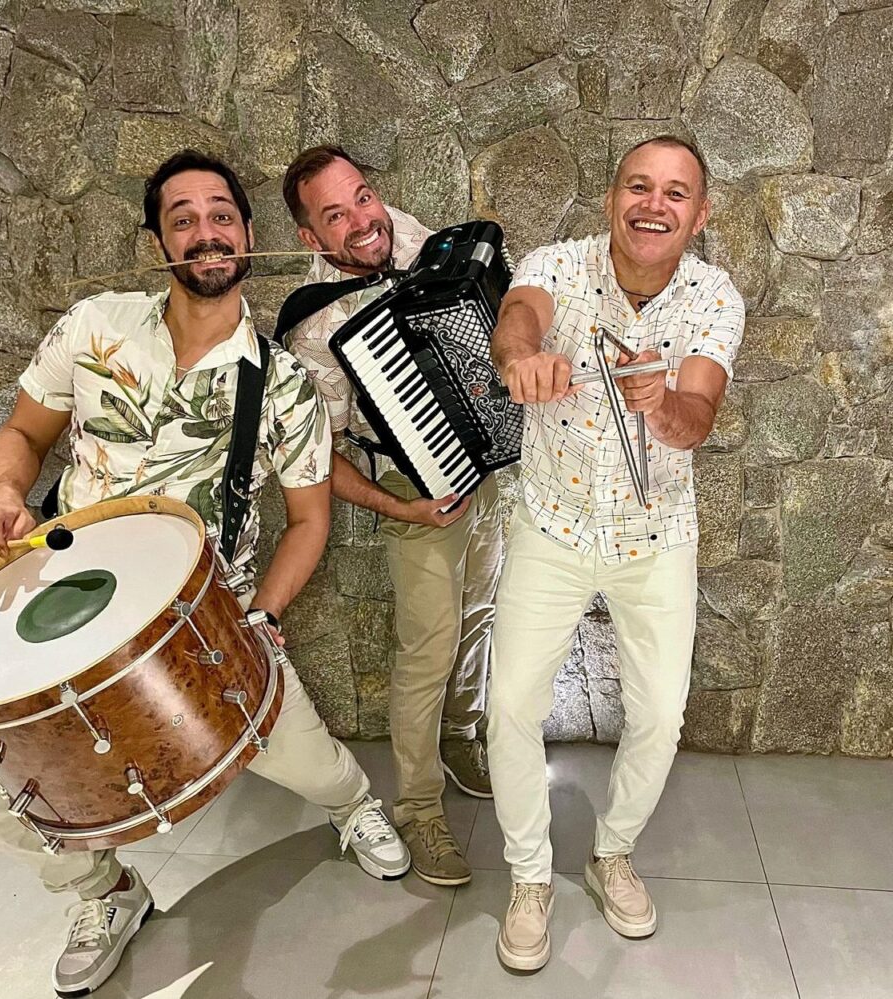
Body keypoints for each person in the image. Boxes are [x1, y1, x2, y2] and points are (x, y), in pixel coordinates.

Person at [0, 149, 410, 998]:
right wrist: (6, 493)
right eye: (183, 217)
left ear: (247, 236)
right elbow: (22, 434)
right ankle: (106, 892)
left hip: (210, 624)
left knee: (311, 765)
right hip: (74, 608)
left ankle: (352, 807)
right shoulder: (95, 328)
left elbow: (309, 522)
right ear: (158, 240)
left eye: (221, 215)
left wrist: (264, 617)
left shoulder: (281, 383)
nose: (206, 231)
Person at [487, 136, 745, 971]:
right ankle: (529, 878)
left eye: (675, 193)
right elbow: (517, 316)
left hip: (655, 533)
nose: (653, 204)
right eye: (638, 185)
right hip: (552, 524)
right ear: (612, 198)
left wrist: (664, 403)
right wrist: (521, 358)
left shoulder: (715, 297)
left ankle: (611, 853)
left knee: (660, 714)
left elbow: (697, 416)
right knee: (513, 707)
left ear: (698, 215)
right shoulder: (557, 264)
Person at [279, 146, 502, 888]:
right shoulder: (312, 331)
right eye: (335, 215)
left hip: (482, 455)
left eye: (363, 197)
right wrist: (401, 507)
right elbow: (319, 458)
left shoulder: (402, 231)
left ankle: (462, 734)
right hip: (413, 481)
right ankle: (417, 807)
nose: (362, 221)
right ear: (310, 237)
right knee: (428, 647)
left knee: (479, 613)